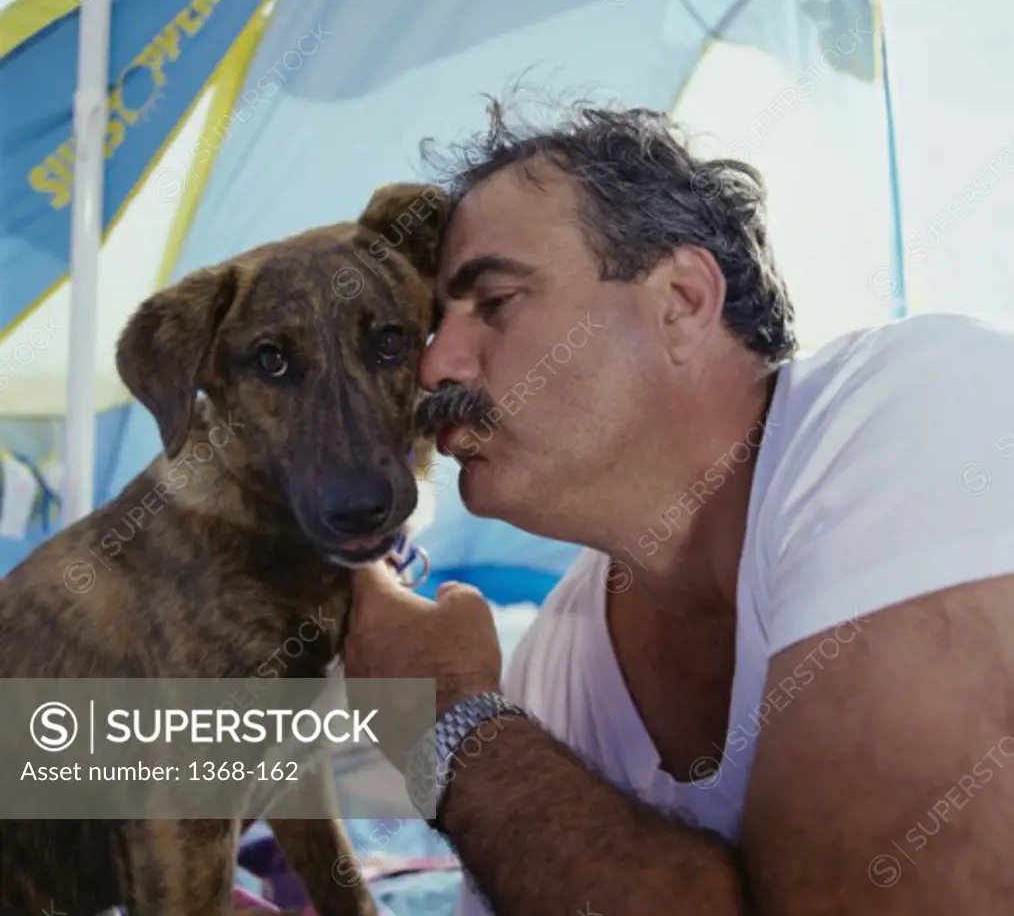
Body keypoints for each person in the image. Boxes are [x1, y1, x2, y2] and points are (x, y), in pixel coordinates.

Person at [343, 101, 1014, 915]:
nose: (434, 366)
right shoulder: (552, 664)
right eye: (430, 330)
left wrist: (449, 718)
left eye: (496, 302)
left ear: (683, 300)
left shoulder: (920, 404)